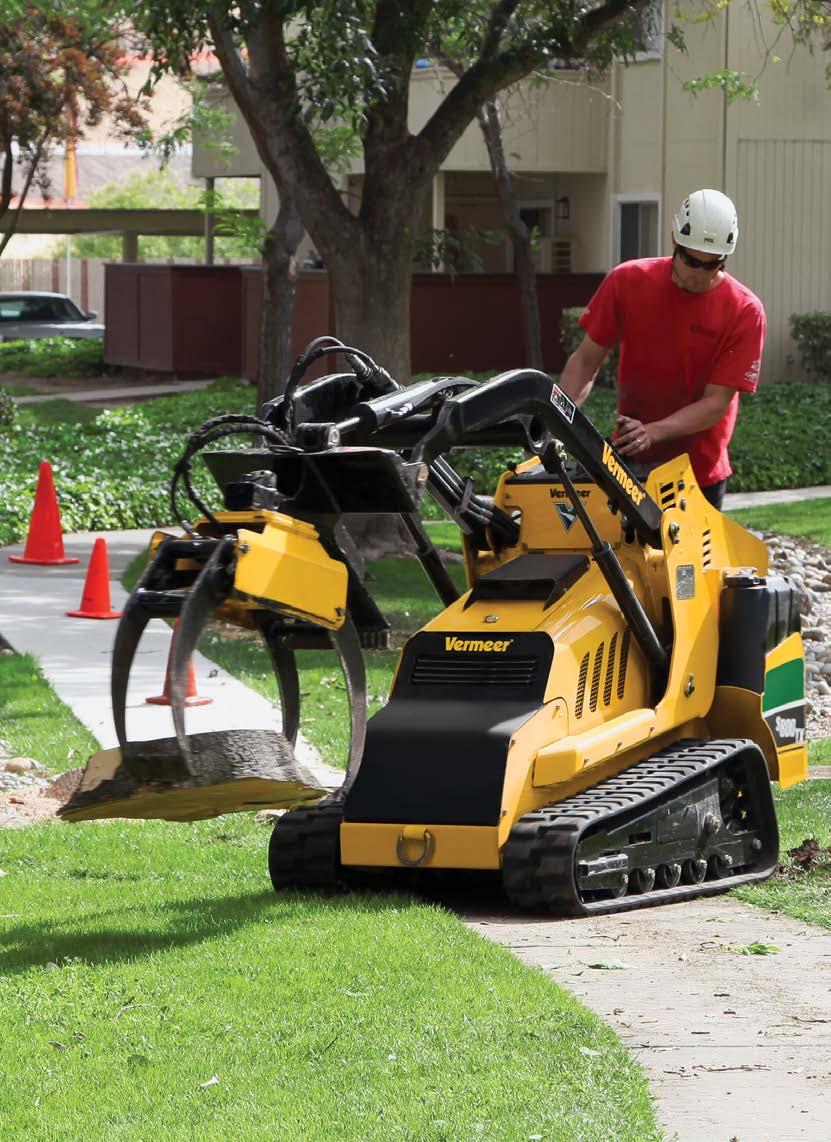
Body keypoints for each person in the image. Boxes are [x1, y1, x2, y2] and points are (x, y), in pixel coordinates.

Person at [558, 189, 766, 509]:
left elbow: (716, 403)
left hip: (698, 471)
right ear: (674, 240)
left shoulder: (745, 311)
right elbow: (586, 360)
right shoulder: (628, 281)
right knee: (619, 559)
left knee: (688, 561)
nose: (699, 273)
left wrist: (653, 431)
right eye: (691, 260)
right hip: (630, 461)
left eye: (712, 265)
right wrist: (558, 418)